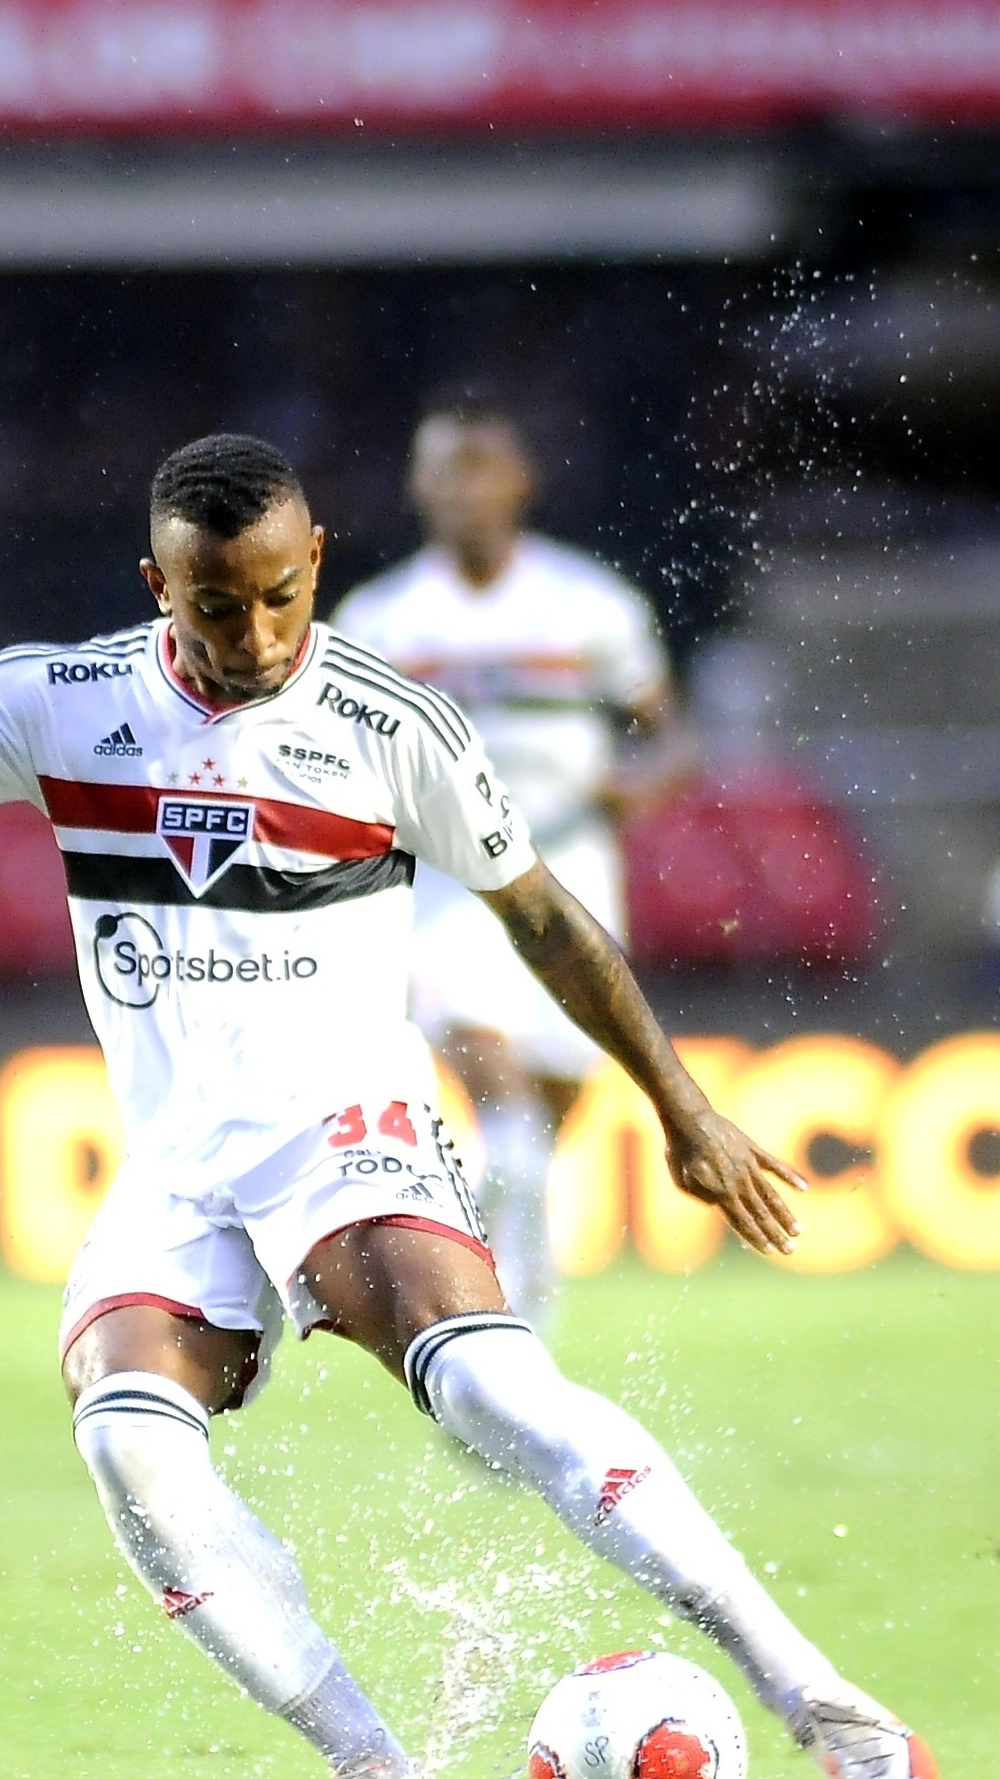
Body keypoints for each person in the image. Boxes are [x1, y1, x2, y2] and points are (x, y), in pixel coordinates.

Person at [0, 433, 935, 1779]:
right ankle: (376, 1778)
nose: (256, 635)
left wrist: (681, 1106)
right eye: (217, 606)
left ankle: (815, 1694)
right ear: (157, 584)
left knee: (488, 1390)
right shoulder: (60, 700)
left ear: (316, 562)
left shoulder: (391, 721)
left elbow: (541, 915)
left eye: (282, 595)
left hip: (347, 1125)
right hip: (177, 1163)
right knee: (128, 1444)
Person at [332, 396, 689, 1323]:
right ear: (417, 486)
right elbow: (333, 760)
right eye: (446, 470)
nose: (464, 490)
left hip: (568, 872)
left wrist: (638, 786)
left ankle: (507, 1268)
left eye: (482, 466)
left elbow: (669, 737)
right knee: (504, 1109)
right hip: (449, 886)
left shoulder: (587, 605)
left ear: (521, 480)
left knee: (543, 1118)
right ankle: (500, 1318)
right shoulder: (381, 621)